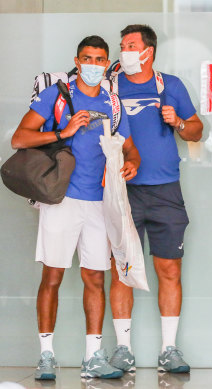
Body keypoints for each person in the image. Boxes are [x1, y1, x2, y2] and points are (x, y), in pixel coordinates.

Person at [12, 35, 140, 380]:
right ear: (77, 60)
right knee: (52, 275)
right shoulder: (57, 95)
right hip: (61, 199)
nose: (94, 65)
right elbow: (19, 138)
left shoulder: (113, 104)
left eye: (100, 60)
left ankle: (92, 357)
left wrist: (133, 163)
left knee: (95, 278)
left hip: (99, 202)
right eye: (88, 58)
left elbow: (130, 148)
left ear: (106, 63)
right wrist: (62, 132)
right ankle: (46, 357)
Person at [108, 24, 204, 374]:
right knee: (123, 270)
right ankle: (122, 350)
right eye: (122, 46)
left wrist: (178, 121)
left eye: (131, 45)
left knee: (169, 269)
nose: (125, 52)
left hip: (165, 190)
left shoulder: (170, 86)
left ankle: (169, 350)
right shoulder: (111, 87)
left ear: (148, 51)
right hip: (122, 190)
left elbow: (197, 129)